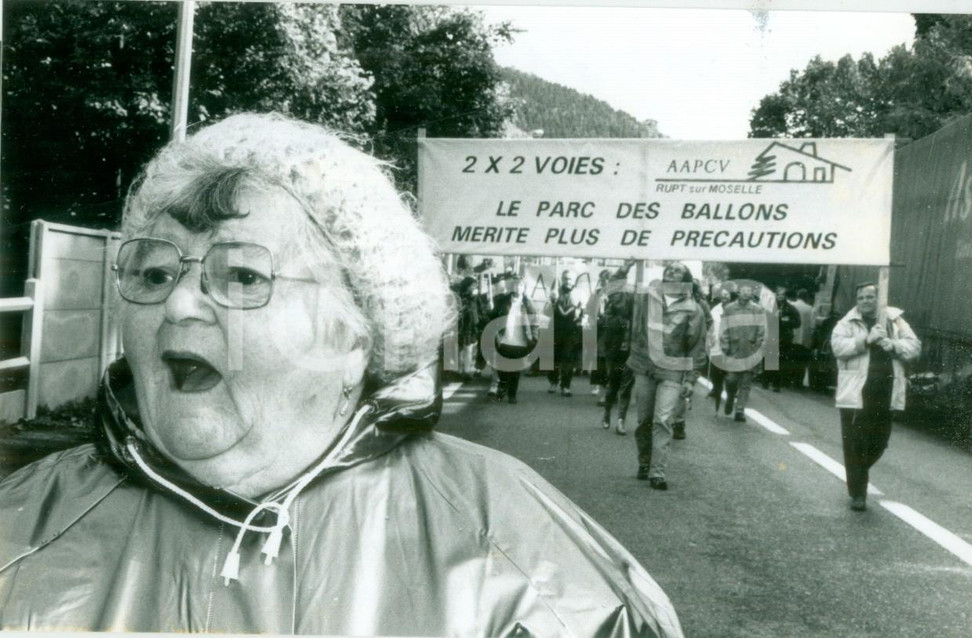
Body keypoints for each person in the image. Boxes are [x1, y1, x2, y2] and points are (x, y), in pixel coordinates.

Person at [0, 114, 683, 636]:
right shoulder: (22, 527)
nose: (178, 304)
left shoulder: (522, 566)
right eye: (153, 273)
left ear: (356, 332)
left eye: (242, 275)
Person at [831, 282, 920, 512]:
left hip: (886, 392)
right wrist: (866, 340)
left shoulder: (895, 320)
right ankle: (858, 493)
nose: (865, 301)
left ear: (879, 299)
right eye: (861, 297)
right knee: (854, 444)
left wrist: (894, 345)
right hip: (856, 393)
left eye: (870, 297)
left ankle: (858, 471)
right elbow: (838, 347)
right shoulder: (847, 322)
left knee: (880, 442)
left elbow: (915, 346)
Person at [627, 261, 707, 491]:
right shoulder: (648, 299)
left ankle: (657, 472)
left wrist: (691, 379)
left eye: (677, 271)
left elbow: (696, 347)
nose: (672, 272)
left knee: (662, 419)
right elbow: (632, 321)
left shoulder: (694, 309)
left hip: (673, 369)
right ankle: (644, 462)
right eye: (669, 269)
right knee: (644, 420)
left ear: (686, 279)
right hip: (645, 366)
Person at [670, 279, 712, 440]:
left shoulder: (701, 304)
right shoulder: (672, 303)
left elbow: (709, 321)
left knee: (681, 388)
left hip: (691, 347)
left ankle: (679, 422)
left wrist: (703, 332)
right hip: (674, 348)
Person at [720, 283, 766, 423]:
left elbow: (761, 330)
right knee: (731, 379)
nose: (746, 293)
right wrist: (725, 345)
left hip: (750, 349)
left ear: (752, 293)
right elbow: (724, 328)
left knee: (746, 382)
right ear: (739, 292)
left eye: (749, 290)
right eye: (744, 290)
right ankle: (730, 396)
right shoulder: (730, 309)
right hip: (733, 349)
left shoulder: (757, 309)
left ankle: (740, 410)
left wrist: (758, 347)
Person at [492, 274, 538, 404]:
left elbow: (534, 323)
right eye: (516, 284)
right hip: (504, 339)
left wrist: (534, 338)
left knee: (515, 370)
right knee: (501, 368)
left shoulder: (528, 303)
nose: (518, 287)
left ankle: (512, 394)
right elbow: (493, 317)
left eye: (521, 285)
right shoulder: (502, 300)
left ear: (524, 288)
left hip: (520, 341)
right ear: (512, 286)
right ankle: (502, 388)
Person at [601, 268, 634, 435]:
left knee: (626, 387)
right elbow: (607, 322)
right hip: (615, 350)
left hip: (631, 351)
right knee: (613, 384)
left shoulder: (633, 299)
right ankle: (607, 412)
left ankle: (621, 420)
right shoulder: (612, 304)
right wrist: (622, 322)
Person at [548, 270, 582, 396]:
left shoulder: (579, 294)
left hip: (571, 331)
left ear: (574, 281)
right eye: (565, 279)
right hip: (556, 330)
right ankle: (553, 382)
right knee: (554, 358)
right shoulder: (555, 292)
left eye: (570, 279)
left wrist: (580, 315)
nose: (568, 281)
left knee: (568, 359)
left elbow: (584, 312)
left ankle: (566, 385)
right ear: (562, 279)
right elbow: (547, 311)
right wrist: (552, 301)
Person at [760, 285, 800, 392]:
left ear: (785, 296)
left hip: (784, 337)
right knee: (769, 359)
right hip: (771, 335)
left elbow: (797, 322)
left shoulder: (791, 308)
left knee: (781, 361)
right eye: (778, 294)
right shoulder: (770, 307)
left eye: (783, 295)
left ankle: (776, 384)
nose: (780, 296)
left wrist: (785, 322)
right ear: (775, 295)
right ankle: (765, 381)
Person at [706, 287, 732, 409]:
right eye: (723, 294)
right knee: (715, 368)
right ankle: (716, 388)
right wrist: (710, 336)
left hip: (730, 343)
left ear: (731, 296)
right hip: (716, 342)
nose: (724, 296)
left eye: (727, 294)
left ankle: (731, 392)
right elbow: (711, 324)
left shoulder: (734, 308)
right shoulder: (715, 309)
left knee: (729, 371)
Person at [590, 269, 612, 401]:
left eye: (605, 279)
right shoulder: (597, 293)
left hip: (611, 328)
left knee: (606, 358)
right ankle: (598, 385)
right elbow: (590, 309)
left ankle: (606, 388)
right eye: (602, 279)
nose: (603, 282)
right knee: (599, 356)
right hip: (599, 327)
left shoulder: (616, 294)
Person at [788, 288, 815, 388]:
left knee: (790, 359)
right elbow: (812, 326)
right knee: (801, 361)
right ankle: (798, 382)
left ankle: (787, 379)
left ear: (797, 296)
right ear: (806, 297)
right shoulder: (810, 309)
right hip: (804, 339)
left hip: (791, 336)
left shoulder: (791, 305)